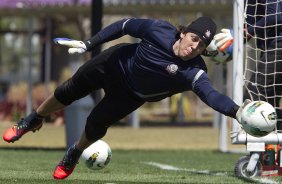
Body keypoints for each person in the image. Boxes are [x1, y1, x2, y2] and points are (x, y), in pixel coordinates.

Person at [2, 17, 243, 180]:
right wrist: (89, 43)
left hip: (130, 95)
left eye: (201, 45)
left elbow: (212, 96)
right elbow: (124, 25)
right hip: (112, 64)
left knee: (95, 125)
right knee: (68, 90)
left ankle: (74, 152)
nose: (194, 47)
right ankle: (33, 119)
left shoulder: (195, 71)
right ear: (182, 33)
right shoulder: (158, 29)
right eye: (193, 38)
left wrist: (238, 112)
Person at [214, 0, 282, 129]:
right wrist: (230, 48)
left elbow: (277, 16)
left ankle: (258, 147)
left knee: (253, 99)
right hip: (269, 49)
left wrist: (249, 31)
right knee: (270, 103)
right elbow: (249, 27)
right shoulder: (246, 3)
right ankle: (270, 147)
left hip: (278, 45)